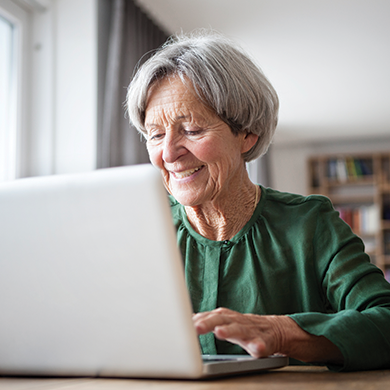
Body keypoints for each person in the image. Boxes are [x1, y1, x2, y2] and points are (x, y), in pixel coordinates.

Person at [126, 31, 390, 371]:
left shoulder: (310, 224)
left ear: (246, 134)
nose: (169, 153)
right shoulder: (143, 232)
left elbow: (384, 320)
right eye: (156, 135)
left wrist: (282, 333)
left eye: (191, 130)